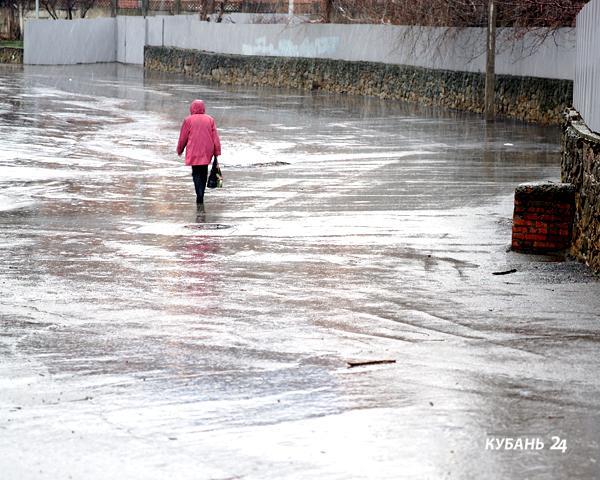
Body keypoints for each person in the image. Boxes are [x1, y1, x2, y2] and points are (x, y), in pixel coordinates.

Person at [177, 99, 221, 205]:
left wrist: (180, 149)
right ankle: (201, 194)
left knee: (196, 173)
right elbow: (215, 137)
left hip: (194, 150)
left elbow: (183, 137)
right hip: (207, 151)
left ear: (192, 108)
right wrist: (217, 151)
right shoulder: (210, 119)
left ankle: (199, 194)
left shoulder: (188, 120)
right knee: (204, 172)